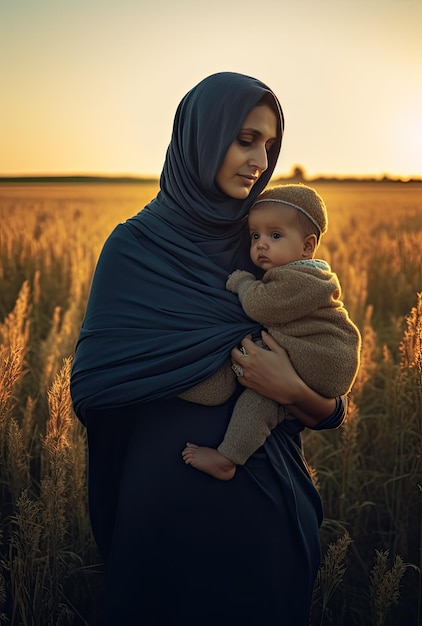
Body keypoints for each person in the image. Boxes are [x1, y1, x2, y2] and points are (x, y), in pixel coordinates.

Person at [70, 72, 348, 626]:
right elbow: (99, 382)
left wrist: (290, 389)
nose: (260, 160)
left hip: (265, 511)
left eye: (269, 145)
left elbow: (329, 401)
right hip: (161, 516)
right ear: (202, 134)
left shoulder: (265, 244)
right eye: (245, 139)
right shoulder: (135, 248)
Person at [182, 183, 361, 480]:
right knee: (261, 402)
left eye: (274, 236)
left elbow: (262, 306)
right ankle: (224, 449)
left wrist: (242, 283)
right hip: (314, 365)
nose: (261, 244)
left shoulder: (303, 277)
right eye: (255, 236)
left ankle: (225, 450)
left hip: (324, 358)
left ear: (307, 246)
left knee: (249, 371)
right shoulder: (299, 273)